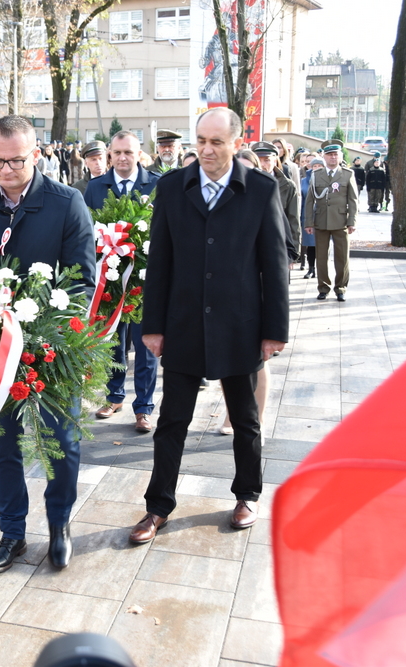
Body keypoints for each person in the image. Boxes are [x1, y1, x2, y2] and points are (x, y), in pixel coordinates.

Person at [0, 115, 95, 573]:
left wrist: (44, 322)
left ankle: (60, 526)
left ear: (37, 154)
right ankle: (12, 532)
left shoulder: (67, 203)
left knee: (60, 442)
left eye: (16, 161)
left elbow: (84, 282)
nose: (5, 170)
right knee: (1, 442)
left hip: (50, 350)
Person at [129, 107, 289, 543]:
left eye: (217, 142)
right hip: (182, 324)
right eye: (200, 140)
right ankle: (157, 506)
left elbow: (274, 263)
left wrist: (274, 330)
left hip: (241, 325)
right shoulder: (172, 188)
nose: (206, 149)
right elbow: (158, 261)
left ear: (237, 143)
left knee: (245, 418)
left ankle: (247, 494)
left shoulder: (259, 188)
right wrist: (152, 326)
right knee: (172, 421)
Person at [84, 131, 159, 434]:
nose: (123, 158)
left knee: (145, 344)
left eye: (129, 152)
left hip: (145, 279)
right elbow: (86, 229)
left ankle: (143, 407)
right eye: (117, 153)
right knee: (113, 341)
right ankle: (114, 395)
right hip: (110, 279)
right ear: (110, 155)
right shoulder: (95, 187)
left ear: (139, 153)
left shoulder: (156, 184)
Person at [305, 140, 358, 302]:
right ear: (324, 157)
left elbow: (353, 200)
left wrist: (352, 221)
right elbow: (309, 200)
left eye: (335, 154)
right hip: (321, 221)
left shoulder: (348, 174)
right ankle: (323, 287)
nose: (333, 158)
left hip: (341, 221)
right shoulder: (316, 175)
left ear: (340, 156)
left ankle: (340, 288)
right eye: (329, 155)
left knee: (342, 257)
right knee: (321, 257)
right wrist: (308, 222)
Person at [251, 141, 300, 266]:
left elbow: (293, 220)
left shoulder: (287, 186)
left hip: (279, 246)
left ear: (275, 160)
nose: (262, 165)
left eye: (267, 160)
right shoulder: (246, 183)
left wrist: (292, 253)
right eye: (259, 160)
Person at [300, 157, 323, 278]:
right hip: (308, 216)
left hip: (323, 216)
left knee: (322, 245)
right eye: (315, 166)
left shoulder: (327, 180)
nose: (317, 168)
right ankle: (311, 268)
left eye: (320, 166)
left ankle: (321, 270)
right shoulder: (304, 181)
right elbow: (301, 200)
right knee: (310, 244)